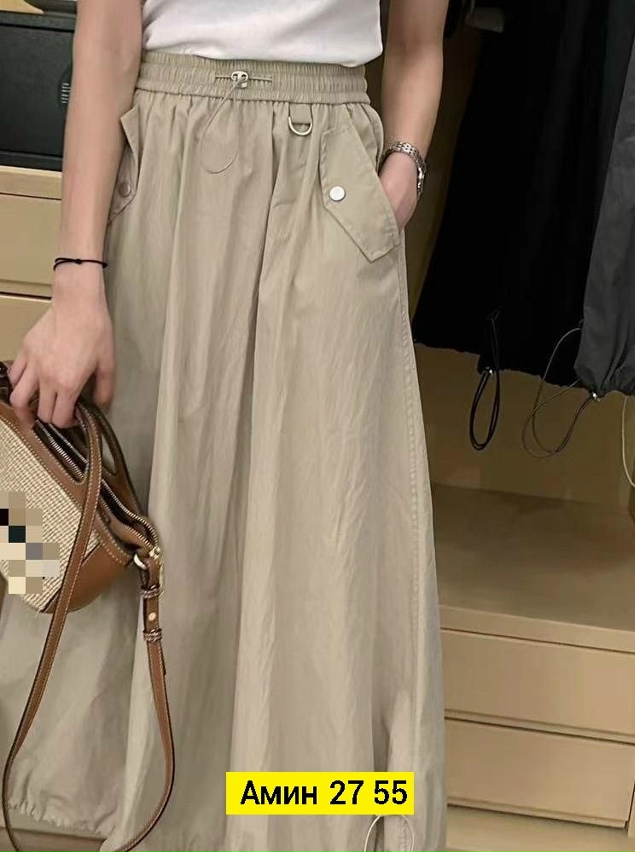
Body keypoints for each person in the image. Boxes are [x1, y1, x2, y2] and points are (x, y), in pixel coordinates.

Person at [0, 1, 448, 850]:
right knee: (115, 522)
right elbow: (107, 37)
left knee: (322, 560)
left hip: (331, 189)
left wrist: (402, 175)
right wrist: (76, 275)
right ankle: (80, 811)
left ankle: (301, 824)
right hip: (160, 166)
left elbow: (419, 46)